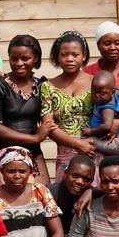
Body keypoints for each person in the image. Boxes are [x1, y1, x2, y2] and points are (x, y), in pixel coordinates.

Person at [0, 35, 54, 182]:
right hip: (3, 154)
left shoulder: (42, 86)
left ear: (35, 58)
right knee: (9, 203)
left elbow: (48, 121)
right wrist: (34, 137)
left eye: (25, 58)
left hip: (32, 153)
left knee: (43, 196)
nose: (18, 63)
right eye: (13, 58)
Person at [41, 31, 96, 181]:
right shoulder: (48, 86)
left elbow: (116, 108)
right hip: (65, 154)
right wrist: (77, 143)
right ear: (58, 57)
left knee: (95, 198)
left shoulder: (96, 82)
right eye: (64, 55)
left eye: (75, 54)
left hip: (93, 150)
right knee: (66, 199)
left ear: (83, 56)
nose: (69, 59)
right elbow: (49, 125)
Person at [84, 70, 119, 156]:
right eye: (94, 92)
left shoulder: (106, 108)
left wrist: (91, 132)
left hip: (113, 139)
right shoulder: (113, 95)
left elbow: (107, 126)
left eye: (102, 93)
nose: (97, 96)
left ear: (112, 92)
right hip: (113, 136)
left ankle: (93, 142)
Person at [49, 154, 97, 235]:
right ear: (66, 173)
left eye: (86, 179)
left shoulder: (95, 195)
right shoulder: (51, 192)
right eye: (75, 176)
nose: (80, 182)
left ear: (92, 181)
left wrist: (93, 192)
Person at [83, 21, 119, 88]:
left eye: (117, 43)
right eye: (107, 43)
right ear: (98, 46)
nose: (112, 48)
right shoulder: (87, 72)